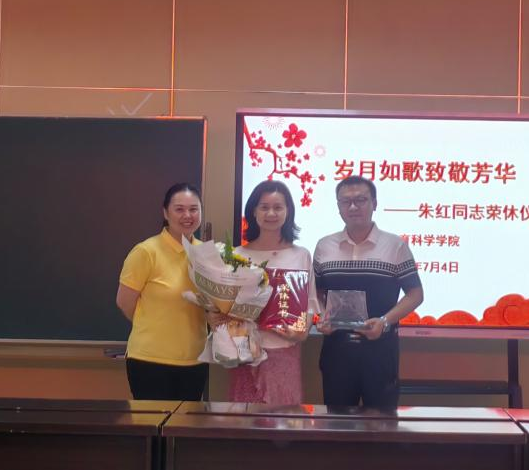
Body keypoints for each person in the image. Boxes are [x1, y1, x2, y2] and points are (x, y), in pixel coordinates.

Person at [314, 175, 423, 409]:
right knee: (337, 421)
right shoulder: (324, 246)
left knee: (381, 421)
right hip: (337, 349)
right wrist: (323, 315)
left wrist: (385, 321)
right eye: (346, 201)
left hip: (380, 348)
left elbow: (415, 294)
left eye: (361, 200)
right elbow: (317, 292)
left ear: (374, 203)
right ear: (338, 207)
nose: (353, 207)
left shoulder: (395, 245)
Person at [226, 180, 317, 405]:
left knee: (284, 419)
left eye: (278, 207)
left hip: (285, 350)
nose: (271, 213)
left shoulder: (301, 255)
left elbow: (310, 303)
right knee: (245, 419)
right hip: (247, 353)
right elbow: (225, 305)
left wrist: (301, 333)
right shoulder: (237, 255)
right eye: (264, 207)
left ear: (288, 211)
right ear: (253, 211)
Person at [116, 183, 208, 400]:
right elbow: (125, 302)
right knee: (154, 422)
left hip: (195, 360)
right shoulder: (146, 251)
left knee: (187, 422)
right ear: (165, 213)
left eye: (193, 209)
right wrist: (155, 324)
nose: (187, 215)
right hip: (150, 361)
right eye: (179, 209)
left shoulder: (206, 253)